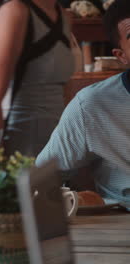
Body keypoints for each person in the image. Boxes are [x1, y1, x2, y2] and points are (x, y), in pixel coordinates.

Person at [36, 0, 130, 204]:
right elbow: (40, 179)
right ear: (121, 56)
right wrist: (77, 201)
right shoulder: (91, 106)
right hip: (121, 224)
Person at [0, 0, 75, 156]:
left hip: (55, 150)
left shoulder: (63, 15)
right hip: (20, 151)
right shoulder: (15, 11)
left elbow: (65, 94)